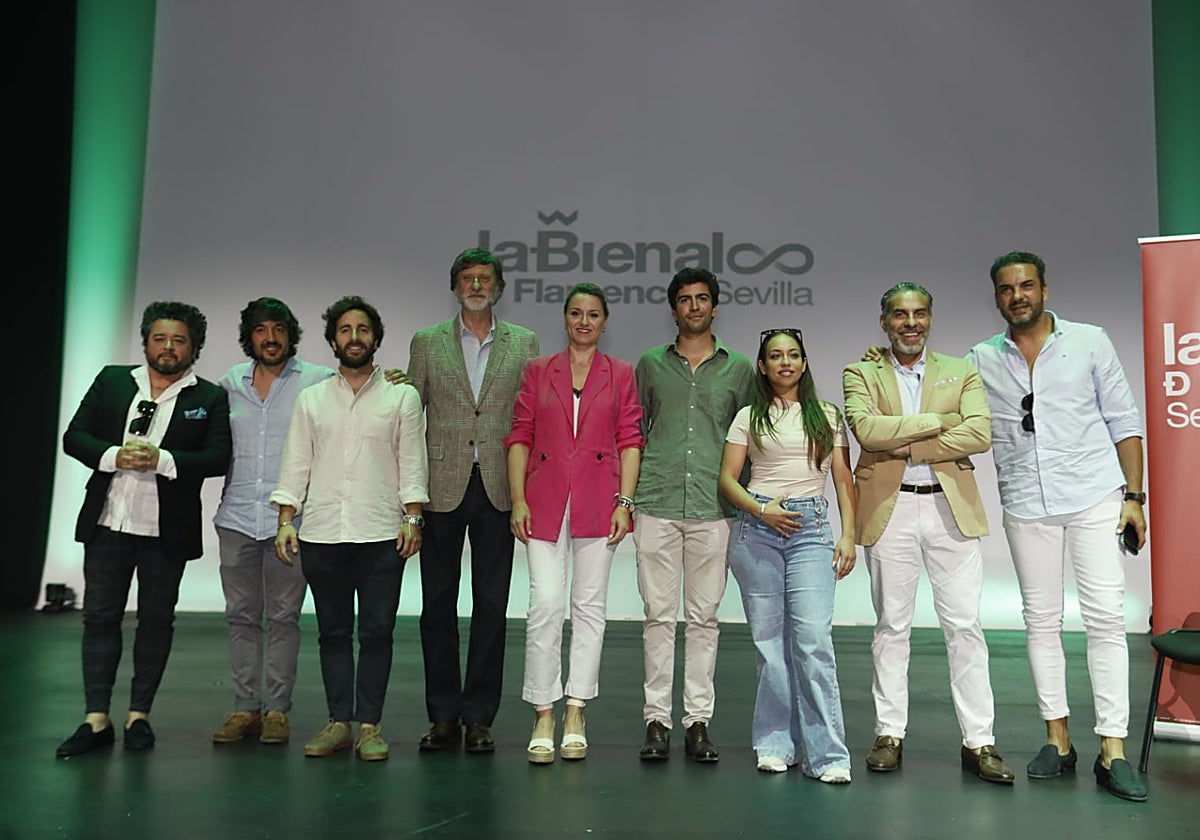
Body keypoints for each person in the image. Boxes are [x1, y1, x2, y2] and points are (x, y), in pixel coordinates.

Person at [967, 251, 1148, 802]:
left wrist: (1134, 497)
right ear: (996, 297)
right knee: (1040, 621)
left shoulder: (1089, 340)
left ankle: (1112, 750)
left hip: (1094, 495)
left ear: (1045, 290)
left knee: (1105, 620)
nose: (1017, 295)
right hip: (1025, 501)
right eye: (1006, 288)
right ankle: (1058, 740)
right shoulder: (981, 358)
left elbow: (1124, 419)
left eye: (1026, 285)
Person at [843, 283, 1014, 784]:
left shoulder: (961, 369)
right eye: (900, 314)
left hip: (948, 510)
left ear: (931, 319)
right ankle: (888, 733)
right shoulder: (861, 371)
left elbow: (979, 433)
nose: (910, 323)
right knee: (891, 628)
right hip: (889, 512)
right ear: (884, 321)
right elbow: (867, 432)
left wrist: (913, 445)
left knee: (965, 628)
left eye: (919, 314)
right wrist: (942, 421)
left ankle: (979, 741)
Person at [56, 301, 232, 757]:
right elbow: (74, 436)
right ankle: (96, 719)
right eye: (160, 338)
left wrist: (164, 461)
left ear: (194, 348)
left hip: (165, 532)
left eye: (179, 340)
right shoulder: (114, 380)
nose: (168, 347)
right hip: (108, 522)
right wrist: (115, 455)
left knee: (156, 621)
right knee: (99, 617)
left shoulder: (208, 397)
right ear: (146, 342)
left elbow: (217, 457)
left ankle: (139, 716)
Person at [271, 295, 428, 762]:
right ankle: (338, 722)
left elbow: (412, 462)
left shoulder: (402, 395)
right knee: (333, 634)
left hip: (382, 533)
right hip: (321, 533)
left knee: (377, 634)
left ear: (376, 339)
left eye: (363, 329)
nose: (354, 337)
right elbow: (296, 462)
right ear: (333, 339)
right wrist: (285, 519)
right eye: (345, 330)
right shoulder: (311, 399)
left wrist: (414, 517)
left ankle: (370, 726)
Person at [504, 283, 643, 764]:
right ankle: (544, 709)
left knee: (589, 606)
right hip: (543, 501)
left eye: (593, 314)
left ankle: (577, 708)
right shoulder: (538, 370)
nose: (584, 321)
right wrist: (518, 498)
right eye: (576, 313)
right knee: (544, 603)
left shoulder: (620, 373)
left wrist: (624, 501)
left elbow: (630, 439)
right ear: (565, 320)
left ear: (605, 323)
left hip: (598, 501)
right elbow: (520, 434)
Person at [407, 249, 539, 754]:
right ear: (455, 286)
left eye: (485, 278)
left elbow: (528, 419)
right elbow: (407, 415)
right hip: (441, 487)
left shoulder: (525, 343)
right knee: (436, 606)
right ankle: (442, 716)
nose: (477, 284)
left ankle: (480, 716)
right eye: (468, 278)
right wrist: (408, 495)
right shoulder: (426, 342)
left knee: (492, 605)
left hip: (500, 488)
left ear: (499, 287)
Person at [718, 328, 856, 782]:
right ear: (762, 365)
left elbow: (841, 479)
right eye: (775, 356)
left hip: (810, 530)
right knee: (770, 646)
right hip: (757, 530)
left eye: (793, 354)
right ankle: (775, 742)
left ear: (803, 362)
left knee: (813, 642)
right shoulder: (748, 417)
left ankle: (828, 755)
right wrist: (762, 510)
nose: (785, 362)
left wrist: (848, 534)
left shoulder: (826, 414)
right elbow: (728, 480)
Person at [632, 267, 754, 763]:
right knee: (658, 618)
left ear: (715, 306)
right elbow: (635, 431)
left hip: (714, 506)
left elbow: (751, 437)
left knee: (704, 620)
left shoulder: (741, 368)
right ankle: (656, 721)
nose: (694, 307)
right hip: (657, 500)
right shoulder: (649, 365)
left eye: (703, 299)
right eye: (685, 300)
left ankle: (697, 722)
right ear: (674, 309)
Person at [211, 298, 335, 745]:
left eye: (278, 328)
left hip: (292, 523)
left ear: (290, 333)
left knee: (283, 618)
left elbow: (363, 393)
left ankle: (278, 711)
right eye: (261, 329)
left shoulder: (319, 380)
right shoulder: (228, 385)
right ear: (250, 336)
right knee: (241, 617)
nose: (270, 337)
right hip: (237, 517)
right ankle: (246, 707)